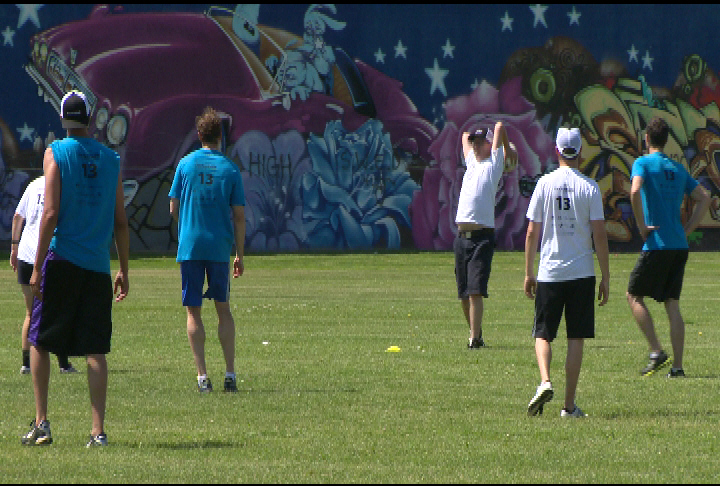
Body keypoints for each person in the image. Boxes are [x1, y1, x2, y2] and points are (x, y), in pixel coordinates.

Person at [22, 90, 129, 447]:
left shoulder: (57, 152)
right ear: (89, 117)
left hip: (63, 258)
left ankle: (42, 423)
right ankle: (98, 432)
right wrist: (124, 269)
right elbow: (121, 222)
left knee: (39, 339)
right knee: (96, 349)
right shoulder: (111, 158)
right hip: (98, 266)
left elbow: (50, 212)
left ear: (64, 119)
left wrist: (36, 267)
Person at [524, 127, 610, 418]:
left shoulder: (544, 184)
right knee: (576, 338)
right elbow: (599, 235)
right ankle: (568, 406)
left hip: (550, 271)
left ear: (557, 151)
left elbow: (531, 232)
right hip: (582, 273)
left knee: (543, 334)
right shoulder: (590, 187)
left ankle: (545, 380)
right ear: (580, 154)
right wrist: (606, 276)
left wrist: (528, 272)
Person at [168, 106, 246, 393]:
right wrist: (239, 253)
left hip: (190, 245)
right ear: (220, 137)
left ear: (199, 135)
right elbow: (238, 216)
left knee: (193, 312)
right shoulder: (230, 169)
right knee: (223, 310)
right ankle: (229, 374)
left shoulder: (185, 165)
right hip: (218, 247)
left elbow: (173, 207)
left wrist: (188, 222)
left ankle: (202, 377)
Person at [627, 117, 710, 377]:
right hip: (678, 245)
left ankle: (656, 351)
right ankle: (677, 367)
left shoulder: (642, 163)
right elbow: (704, 198)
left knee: (633, 295)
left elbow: (634, 191)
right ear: (666, 139)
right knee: (672, 303)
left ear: (647, 139)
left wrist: (641, 226)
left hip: (657, 243)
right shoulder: (677, 168)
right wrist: (687, 231)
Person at [455, 121, 516, 349]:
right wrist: (472, 139)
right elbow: (464, 134)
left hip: (482, 237)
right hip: (461, 238)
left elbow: (500, 125)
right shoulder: (471, 162)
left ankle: (474, 339)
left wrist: (506, 148)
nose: (476, 145)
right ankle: (476, 333)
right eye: (476, 142)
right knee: (463, 294)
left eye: (482, 142)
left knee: (475, 290)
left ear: (490, 144)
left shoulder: (494, 163)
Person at [10, 175, 77, 375]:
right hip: (49, 257)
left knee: (31, 313)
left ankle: (26, 364)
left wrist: (14, 248)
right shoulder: (65, 186)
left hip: (25, 255)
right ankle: (64, 364)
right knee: (59, 311)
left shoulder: (34, 185)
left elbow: (17, 217)